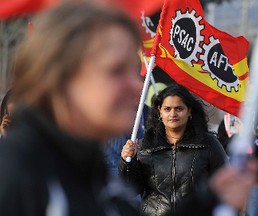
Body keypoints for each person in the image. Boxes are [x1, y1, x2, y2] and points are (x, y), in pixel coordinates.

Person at [0, 2, 143, 215]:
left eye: (135, 69)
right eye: (116, 70)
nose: (137, 85)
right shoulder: (16, 172)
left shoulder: (90, 170)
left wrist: (207, 196)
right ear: (61, 78)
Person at [119, 84, 229, 216]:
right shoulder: (145, 145)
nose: (173, 114)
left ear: (189, 111)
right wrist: (127, 162)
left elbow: (225, 185)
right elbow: (131, 189)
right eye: (167, 109)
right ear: (160, 111)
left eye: (179, 109)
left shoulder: (208, 143)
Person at [217, 81, 258, 216]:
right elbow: (221, 143)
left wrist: (249, 136)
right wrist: (238, 138)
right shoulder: (231, 116)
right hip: (233, 177)